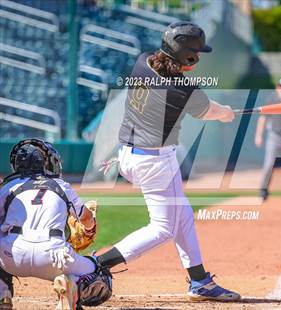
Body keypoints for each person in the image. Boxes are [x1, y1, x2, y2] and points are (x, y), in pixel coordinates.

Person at [97, 21, 241, 301]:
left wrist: (218, 110)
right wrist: (226, 113)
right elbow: (209, 111)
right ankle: (95, 266)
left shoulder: (142, 62)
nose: (198, 59)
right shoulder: (183, 90)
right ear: (187, 57)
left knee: (182, 215)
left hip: (128, 155)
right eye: (196, 54)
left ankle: (200, 280)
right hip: (154, 163)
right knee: (163, 229)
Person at [0, 139, 112, 310]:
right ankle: (73, 286)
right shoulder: (61, 186)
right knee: (99, 271)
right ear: (46, 163)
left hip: (11, 258)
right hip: (54, 258)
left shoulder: (7, 188)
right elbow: (87, 218)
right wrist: (89, 229)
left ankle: (3, 295)